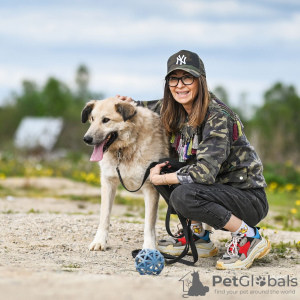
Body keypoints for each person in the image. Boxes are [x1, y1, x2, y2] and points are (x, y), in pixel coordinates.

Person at [117, 50, 270, 270]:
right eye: (173, 79)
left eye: (187, 77)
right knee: (160, 167)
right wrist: (127, 102)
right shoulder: (176, 109)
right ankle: (198, 235)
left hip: (247, 199)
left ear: (200, 81)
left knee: (181, 191)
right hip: (217, 191)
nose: (180, 85)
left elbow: (205, 173)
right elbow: (145, 108)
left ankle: (249, 236)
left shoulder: (217, 116)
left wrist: (163, 180)